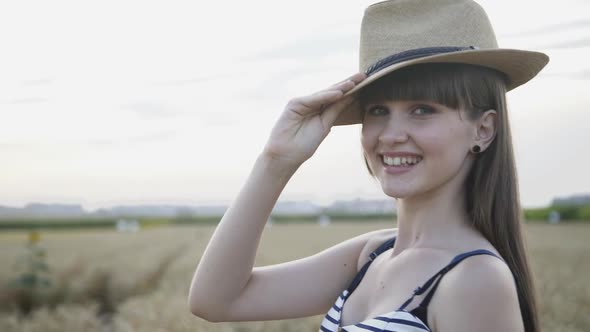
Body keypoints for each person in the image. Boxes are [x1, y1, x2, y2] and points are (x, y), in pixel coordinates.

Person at [188, 0, 549, 331]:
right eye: (378, 111)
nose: (391, 135)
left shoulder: (474, 279)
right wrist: (275, 161)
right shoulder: (371, 254)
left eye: (422, 110)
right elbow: (216, 301)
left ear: (483, 129)